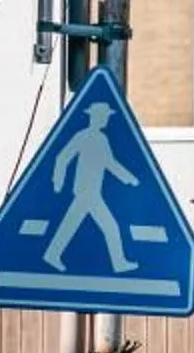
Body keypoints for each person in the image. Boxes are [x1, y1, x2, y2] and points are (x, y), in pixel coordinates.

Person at [45, 101, 142, 273]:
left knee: (71, 224)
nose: (106, 120)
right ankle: (118, 263)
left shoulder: (101, 139)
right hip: (86, 192)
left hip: (90, 191)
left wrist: (129, 178)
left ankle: (52, 254)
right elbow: (62, 157)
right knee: (110, 226)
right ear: (96, 117)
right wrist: (58, 181)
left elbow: (109, 163)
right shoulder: (83, 136)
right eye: (104, 116)